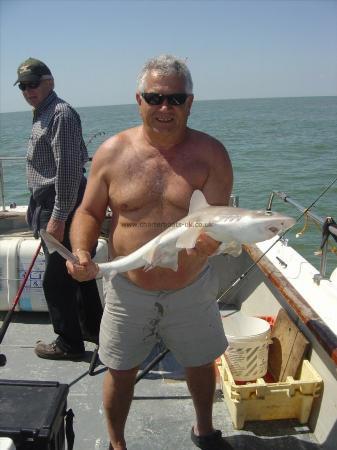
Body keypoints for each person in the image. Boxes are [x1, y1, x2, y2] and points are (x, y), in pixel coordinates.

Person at [67, 55, 233, 450]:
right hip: (128, 287)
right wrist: (80, 250)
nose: (165, 108)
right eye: (155, 97)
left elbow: (215, 221)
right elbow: (89, 211)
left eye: (176, 99)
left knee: (200, 362)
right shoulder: (111, 153)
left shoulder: (212, 155)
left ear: (190, 103)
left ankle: (205, 430)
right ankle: (116, 443)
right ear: (138, 100)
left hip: (190, 286)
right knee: (121, 370)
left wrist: (214, 244)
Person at [14, 57, 103, 360]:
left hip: (61, 204)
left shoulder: (60, 114)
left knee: (56, 280)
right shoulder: (43, 112)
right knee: (78, 272)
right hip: (50, 204)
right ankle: (95, 331)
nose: (28, 90)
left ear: (49, 82)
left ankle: (69, 343)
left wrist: (58, 217)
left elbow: (67, 170)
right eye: (23, 86)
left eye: (33, 84)